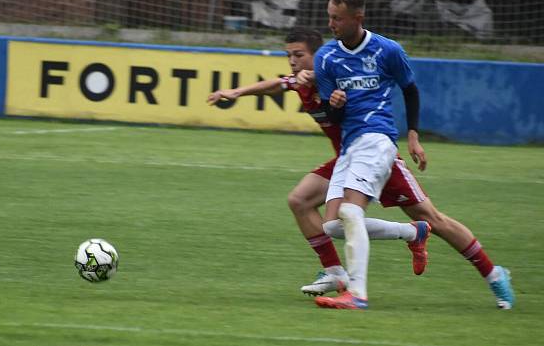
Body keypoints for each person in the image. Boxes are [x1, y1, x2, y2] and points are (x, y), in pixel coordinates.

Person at [207, 26, 515, 310]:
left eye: (299, 55)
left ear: (320, 55)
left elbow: (370, 102)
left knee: (435, 219)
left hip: (377, 156)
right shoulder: (302, 82)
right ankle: (338, 271)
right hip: (346, 159)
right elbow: (276, 84)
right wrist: (235, 92)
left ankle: (493, 273)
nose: (292, 62)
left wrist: (402, 131)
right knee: (304, 204)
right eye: (288, 56)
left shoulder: (341, 73)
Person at [310, 0, 513, 309]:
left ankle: (358, 294)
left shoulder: (387, 50)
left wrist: (414, 135)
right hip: (351, 150)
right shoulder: (327, 58)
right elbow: (333, 116)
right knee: (335, 224)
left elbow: (411, 90)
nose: (331, 24)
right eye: (329, 17)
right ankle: (417, 235)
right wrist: (334, 104)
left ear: (357, 18)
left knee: (352, 212)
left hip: (377, 143)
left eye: (337, 18)